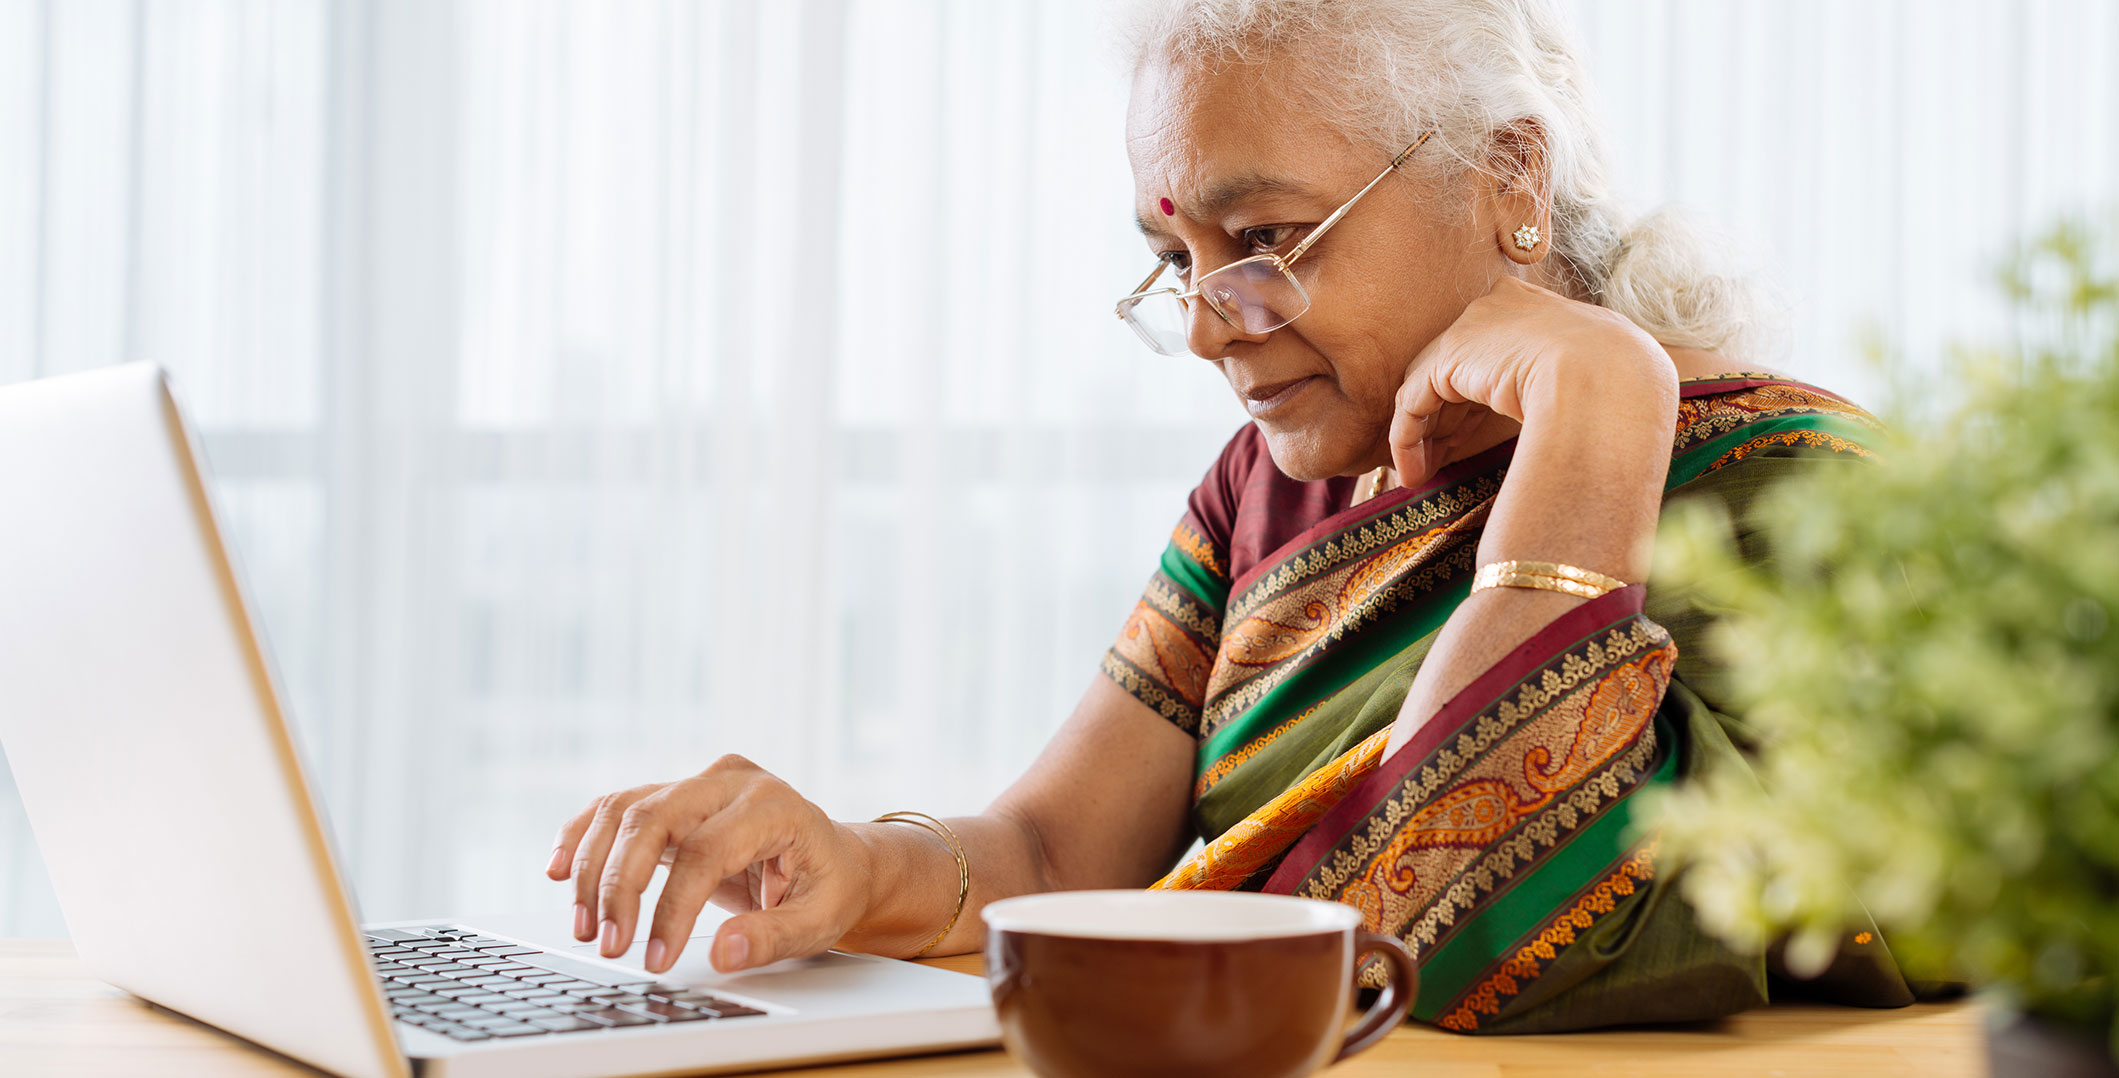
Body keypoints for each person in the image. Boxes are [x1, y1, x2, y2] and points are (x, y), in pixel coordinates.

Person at [543, 0, 1924, 1032]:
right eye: (1173, 262)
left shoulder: (1782, 491)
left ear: (1510, 178)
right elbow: (1056, 854)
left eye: (1263, 243)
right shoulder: (1272, 483)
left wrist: (1597, 403)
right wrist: (851, 866)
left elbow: (1450, 933)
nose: (1209, 329)